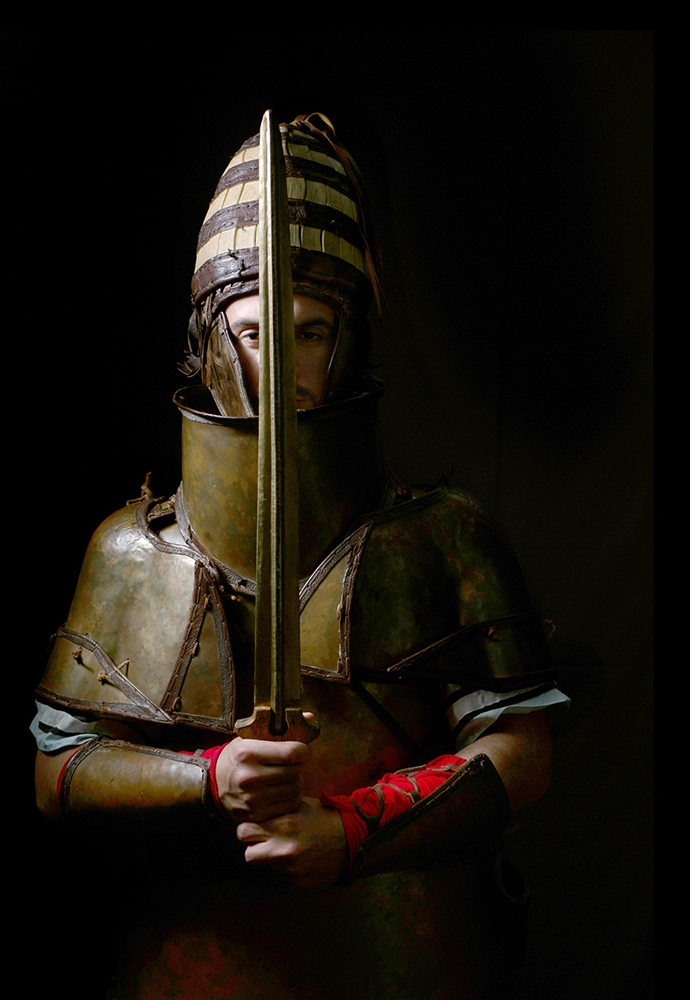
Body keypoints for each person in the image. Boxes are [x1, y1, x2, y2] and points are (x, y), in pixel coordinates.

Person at [31, 113, 569, 1000]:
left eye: (309, 331)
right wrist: (209, 779)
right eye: (251, 330)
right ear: (211, 341)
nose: (280, 360)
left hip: (406, 955)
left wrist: (356, 829)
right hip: (194, 962)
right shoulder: (132, 551)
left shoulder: (439, 534)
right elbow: (58, 771)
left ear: (348, 337)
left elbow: (520, 748)